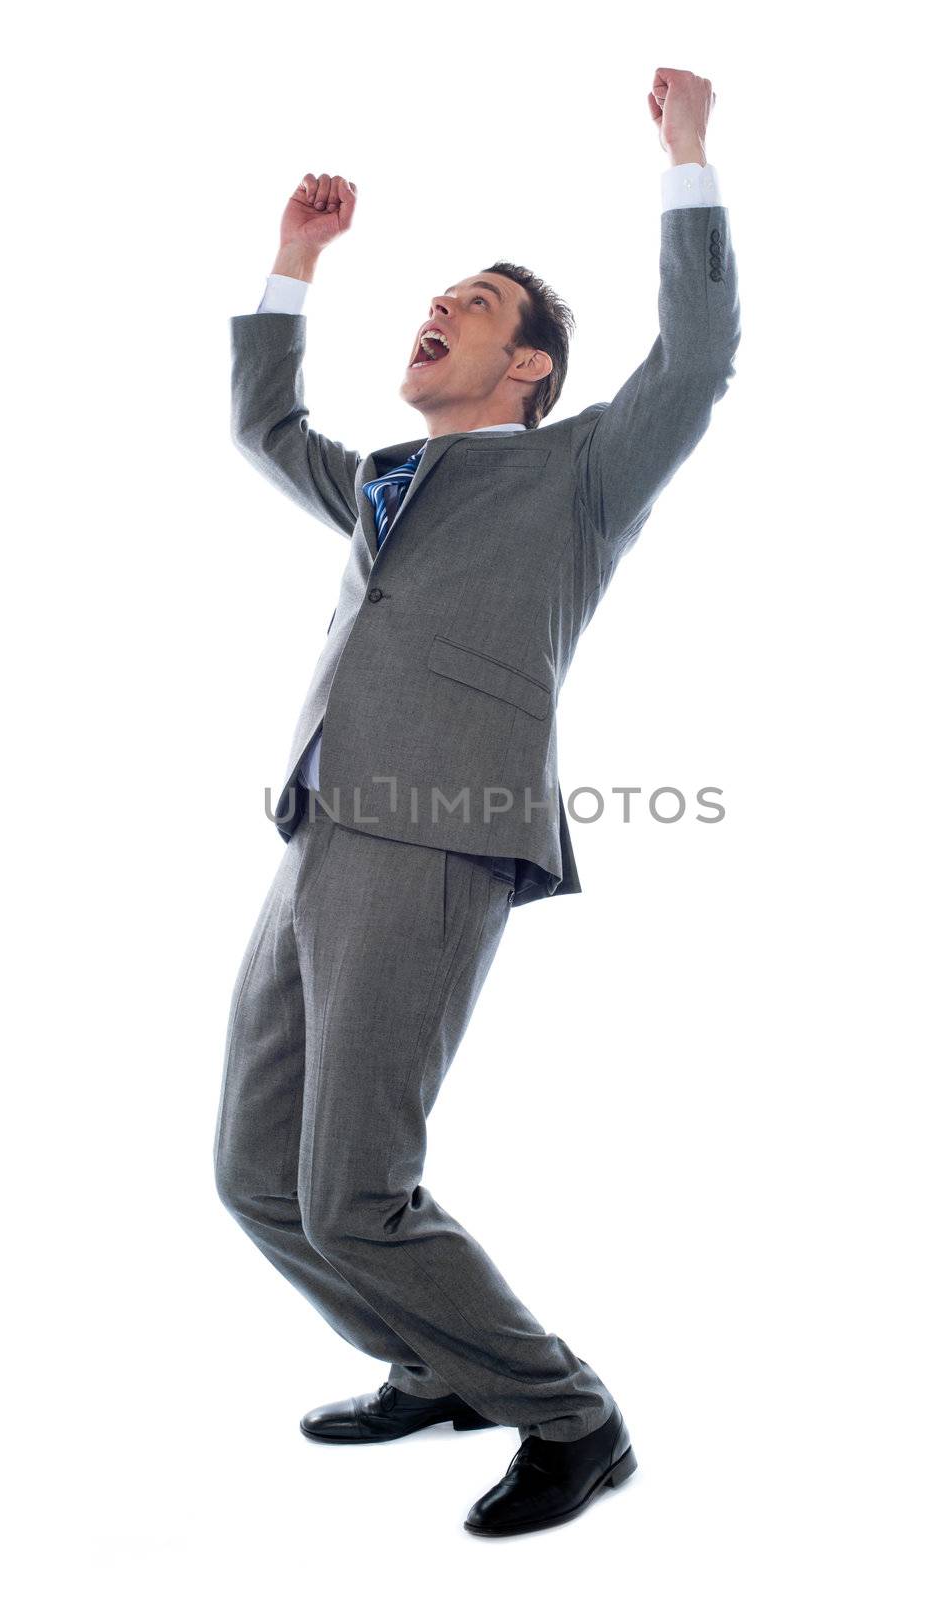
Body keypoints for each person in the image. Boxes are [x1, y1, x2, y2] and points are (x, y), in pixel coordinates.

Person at [214, 65, 740, 1538]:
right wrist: (295, 264)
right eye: (432, 293)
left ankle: (573, 1416)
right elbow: (265, 430)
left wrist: (688, 158)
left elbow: (696, 363)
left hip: (439, 831)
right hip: (319, 837)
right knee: (256, 1179)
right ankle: (429, 1360)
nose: (436, 309)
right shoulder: (386, 480)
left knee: (355, 1193)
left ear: (526, 372)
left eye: (476, 305)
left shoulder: (580, 473)